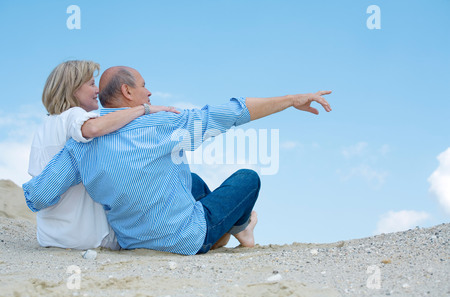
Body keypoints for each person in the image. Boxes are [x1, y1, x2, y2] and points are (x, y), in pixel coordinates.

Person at [23, 66, 332, 255]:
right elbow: (234, 112)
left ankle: (230, 228)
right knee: (248, 178)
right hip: (187, 238)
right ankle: (239, 227)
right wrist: (292, 100)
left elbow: (37, 196)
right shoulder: (163, 122)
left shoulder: (80, 145)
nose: (150, 91)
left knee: (193, 181)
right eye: (144, 84)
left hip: (134, 243)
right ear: (128, 91)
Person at [28, 61, 178, 250]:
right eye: (91, 84)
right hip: (87, 237)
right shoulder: (74, 115)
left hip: (50, 236)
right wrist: (144, 109)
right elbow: (93, 128)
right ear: (73, 89)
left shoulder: (44, 127)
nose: (98, 90)